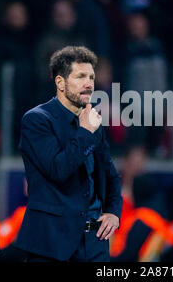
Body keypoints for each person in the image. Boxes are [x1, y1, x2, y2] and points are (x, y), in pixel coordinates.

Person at [15, 46, 122, 262]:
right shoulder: (37, 120)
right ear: (60, 83)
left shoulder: (92, 121)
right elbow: (58, 169)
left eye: (91, 76)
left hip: (94, 244)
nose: (89, 83)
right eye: (80, 76)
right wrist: (84, 132)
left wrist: (113, 212)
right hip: (52, 244)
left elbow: (110, 174)